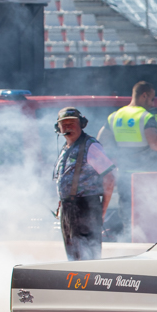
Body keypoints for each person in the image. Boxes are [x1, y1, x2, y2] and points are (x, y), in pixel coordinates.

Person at [97, 81, 157, 239]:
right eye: (152, 99)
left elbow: (101, 141)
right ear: (144, 95)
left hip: (125, 175)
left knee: (128, 216)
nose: (153, 104)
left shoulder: (115, 116)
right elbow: (155, 144)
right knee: (147, 215)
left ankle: (129, 243)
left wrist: (117, 153)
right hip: (145, 176)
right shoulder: (145, 116)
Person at [53, 108, 117, 261]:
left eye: (72, 123)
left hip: (86, 208)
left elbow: (109, 177)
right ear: (58, 128)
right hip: (68, 210)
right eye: (64, 124)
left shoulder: (91, 146)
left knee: (87, 258)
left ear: (81, 124)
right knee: (73, 258)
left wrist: (102, 210)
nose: (68, 127)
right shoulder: (65, 148)